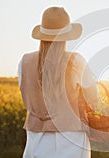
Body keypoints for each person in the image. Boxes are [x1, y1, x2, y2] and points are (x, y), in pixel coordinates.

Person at [18, 7, 97, 158]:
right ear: (67, 36)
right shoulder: (76, 61)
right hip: (71, 137)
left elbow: (26, 96)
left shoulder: (24, 61)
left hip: (36, 138)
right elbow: (93, 99)